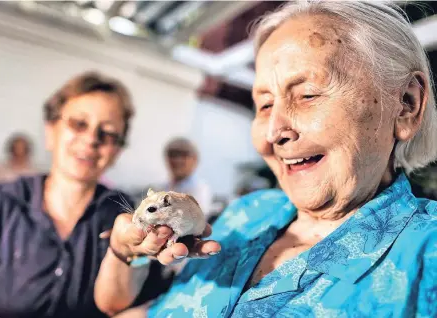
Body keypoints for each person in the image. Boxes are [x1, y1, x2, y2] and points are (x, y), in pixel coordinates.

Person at [95, 1, 437, 317]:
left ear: (406, 105)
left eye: (307, 94)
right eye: (264, 104)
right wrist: (127, 254)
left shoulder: (427, 254)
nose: (274, 131)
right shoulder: (250, 213)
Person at [0, 71, 181, 318]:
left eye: (108, 133)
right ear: (50, 131)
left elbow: (140, 308)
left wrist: (129, 257)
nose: (91, 139)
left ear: (117, 150)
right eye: (79, 124)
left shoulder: (130, 220)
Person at [160, 137, 213, 220]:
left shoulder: (200, 188)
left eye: (183, 155)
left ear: (195, 159)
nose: (177, 160)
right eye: (172, 154)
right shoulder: (162, 187)